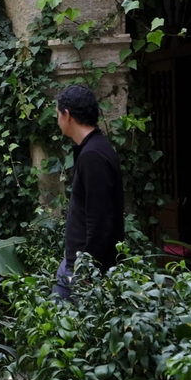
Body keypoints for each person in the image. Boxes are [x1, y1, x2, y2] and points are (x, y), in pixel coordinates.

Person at [54, 84, 122, 301]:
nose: (57, 120)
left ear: (67, 115)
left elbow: (101, 220)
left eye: (58, 114)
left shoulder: (93, 156)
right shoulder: (92, 150)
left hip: (84, 271)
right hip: (77, 263)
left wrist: (86, 269)